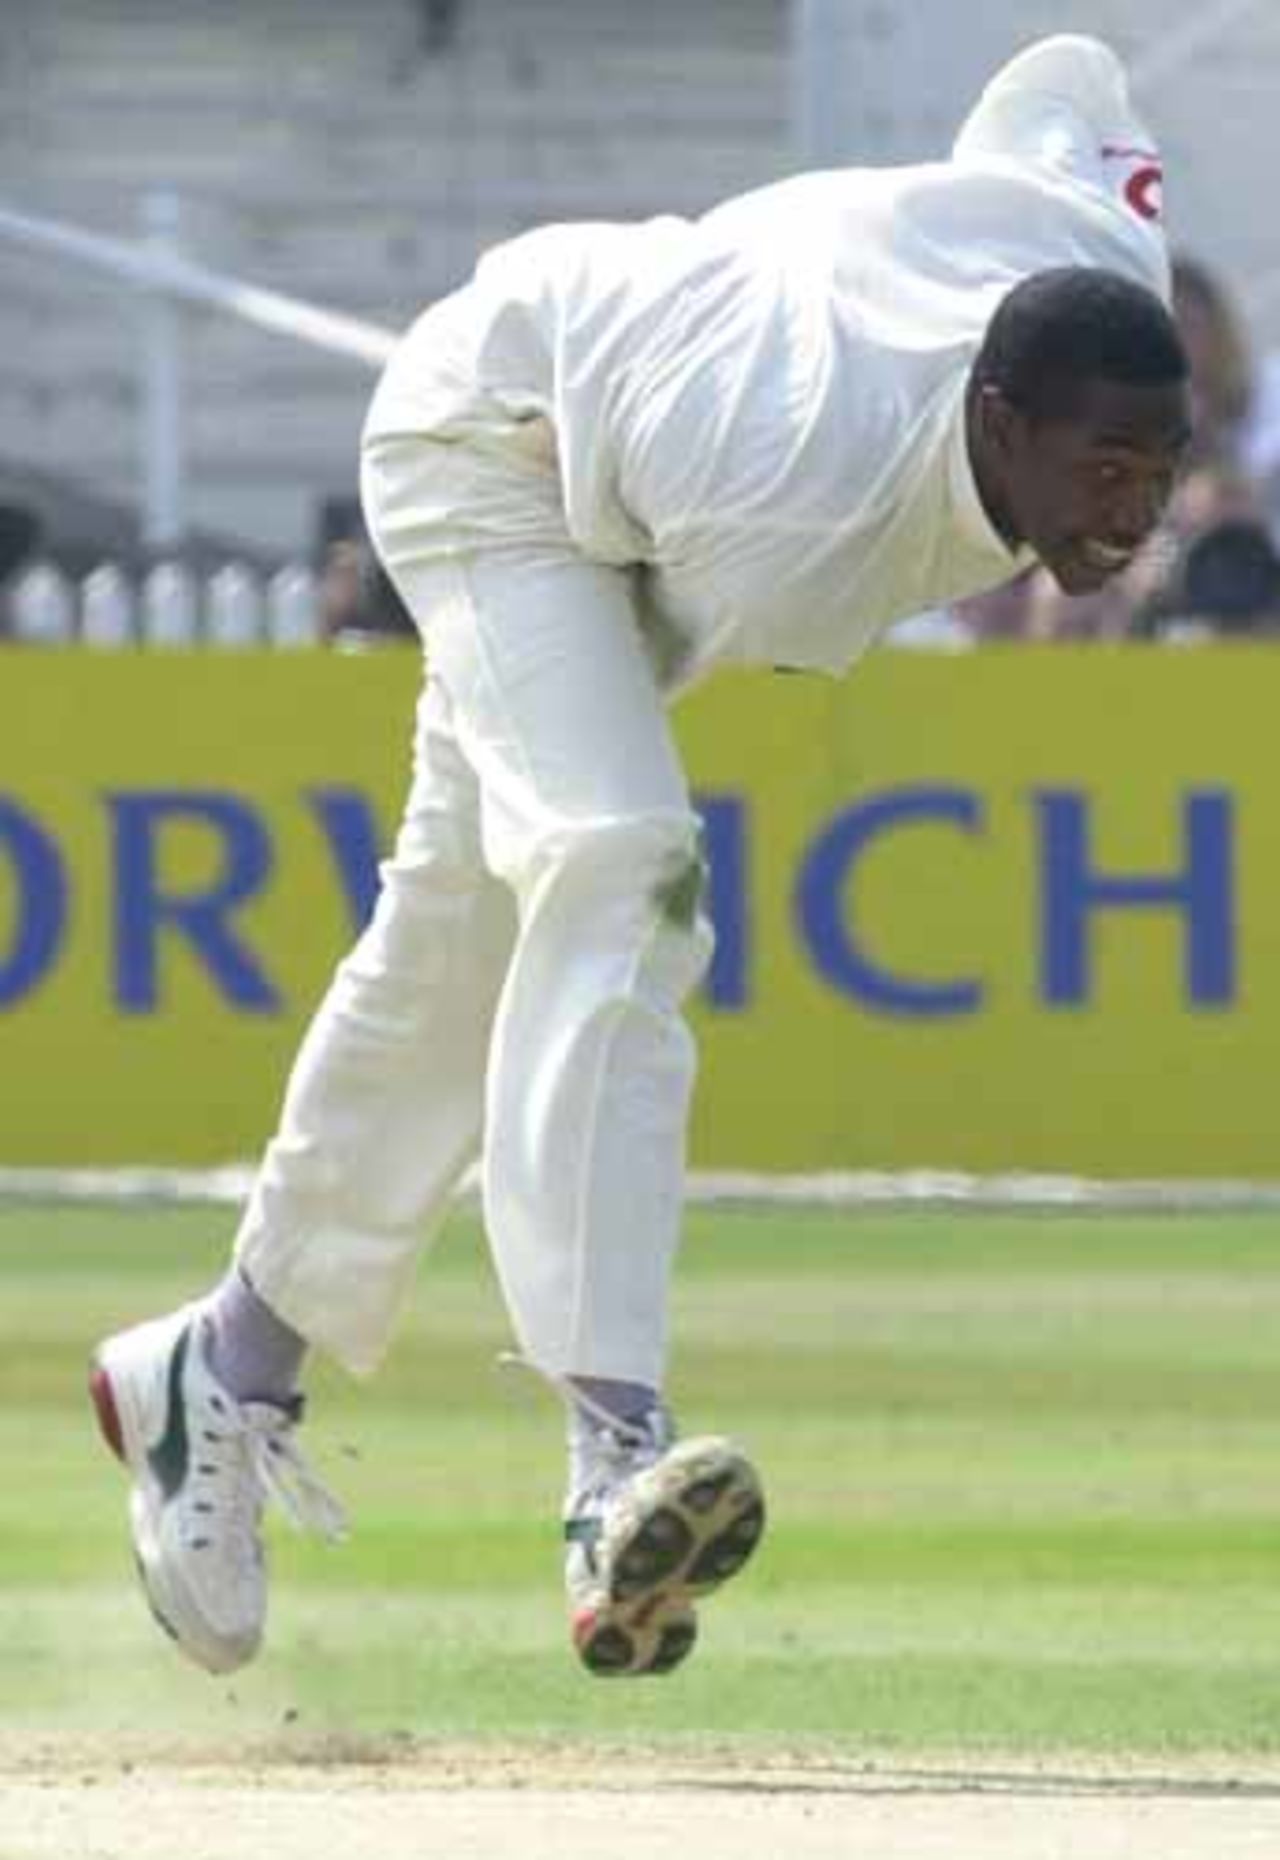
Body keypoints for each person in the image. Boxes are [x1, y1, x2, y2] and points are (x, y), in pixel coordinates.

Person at [89, 34, 1190, 1681]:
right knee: (622, 861)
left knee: (458, 938)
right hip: (498, 449)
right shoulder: (806, 511)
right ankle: (612, 1457)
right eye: (1099, 474)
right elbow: (642, 632)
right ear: (997, 417)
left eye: (1158, 475)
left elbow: (1069, 75)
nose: (1131, 518)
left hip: (640, 442)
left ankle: (227, 1361)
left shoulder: (1107, 266)